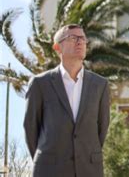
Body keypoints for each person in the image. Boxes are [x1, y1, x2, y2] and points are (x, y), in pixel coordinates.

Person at [24, 24, 110, 177]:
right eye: (72, 38)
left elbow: (102, 128)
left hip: (89, 170)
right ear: (58, 48)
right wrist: (46, 159)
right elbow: (31, 128)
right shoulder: (40, 84)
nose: (80, 42)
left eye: (82, 38)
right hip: (49, 170)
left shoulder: (100, 85)